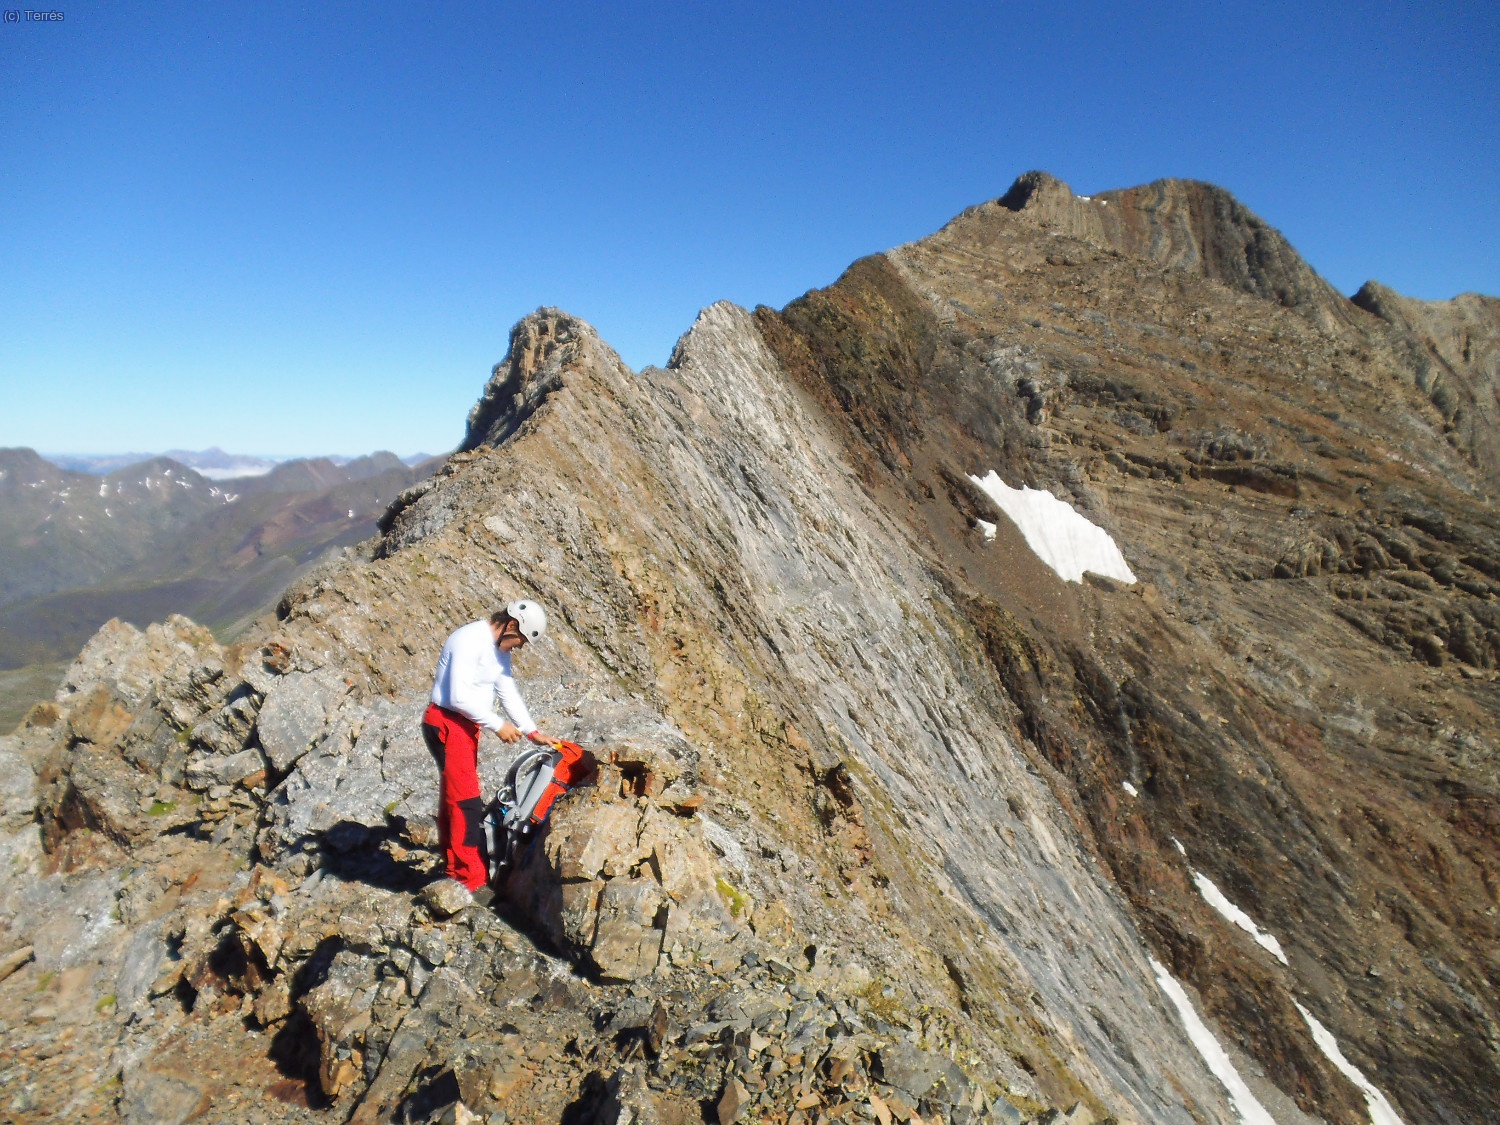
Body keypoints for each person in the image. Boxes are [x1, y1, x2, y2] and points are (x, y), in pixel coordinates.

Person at [421, 599, 550, 893]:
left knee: (455, 797)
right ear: (511, 625)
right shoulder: (469, 639)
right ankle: (472, 881)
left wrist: (532, 732)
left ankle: (456, 869)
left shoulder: (498, 651)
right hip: (448, 723)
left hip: (464, 726)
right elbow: (457, 697)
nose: (519, 647)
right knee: (465, 800)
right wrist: (498, 724)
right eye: (520, 640)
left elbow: (507, 691)